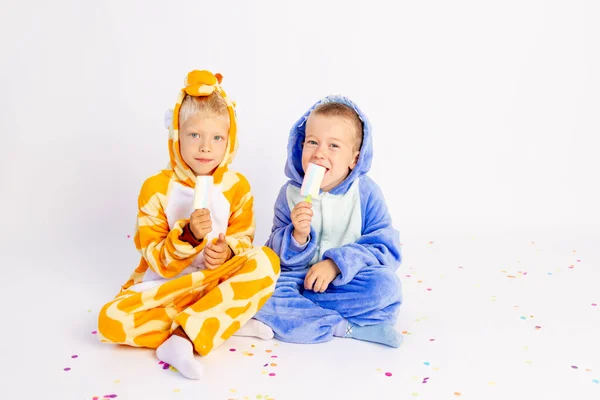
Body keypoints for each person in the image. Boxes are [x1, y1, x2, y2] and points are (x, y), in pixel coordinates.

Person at [97, 70, 280, 380]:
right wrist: (188, 235)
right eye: (194, 135)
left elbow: (245, 241)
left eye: (217, 138)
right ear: (176, 135)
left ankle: (183, 338)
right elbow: (155, 256)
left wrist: (226, 252)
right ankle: (220, 323)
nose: (205, 148)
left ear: (229, 140)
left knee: (267, 261)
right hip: (169, 287)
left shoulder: (237, 187)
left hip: (216, 282)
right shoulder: (155, 188)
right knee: (110, 321)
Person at [251, 95, 402, 348]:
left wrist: (336, 264)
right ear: (300, 146)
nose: (319, 153)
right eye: (312, 142)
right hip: (297, 280)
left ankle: (296, 318)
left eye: (333, 146)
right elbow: (273, 255)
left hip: (346, 281)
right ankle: (342, 326)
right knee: (259, 290)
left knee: (385, 287)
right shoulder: (289, 195)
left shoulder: (365, 193)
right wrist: (297, 237)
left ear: (354, 159)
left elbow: (385, 247)